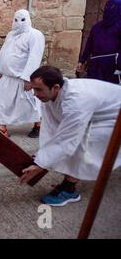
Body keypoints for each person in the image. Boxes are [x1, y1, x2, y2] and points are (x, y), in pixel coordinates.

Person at [20, 66, 121, 206]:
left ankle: (69, 190)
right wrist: (41, 157)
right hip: (99, 114)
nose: (34, 94)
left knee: (83, 142)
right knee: (71, 140)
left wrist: (40, 165)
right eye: (33, 89)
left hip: (114, 117)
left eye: (38, 89)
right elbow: (51, 128)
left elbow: (67, 139)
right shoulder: (51, 96)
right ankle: (68, 183)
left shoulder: (76, 101)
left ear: (55, 87)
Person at [0, 9, 45, 138]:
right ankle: (2, 127)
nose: (19, 23)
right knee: (3, 102)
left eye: (22, 20)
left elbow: (35, 56)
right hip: (7, 76)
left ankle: (38, 125)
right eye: (16, 20)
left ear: (28, 19)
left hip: (22, 77)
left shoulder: (35, 35)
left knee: (30, 102)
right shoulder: (11, 34)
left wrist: (29, 79)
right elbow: (3, 51)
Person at [76, 0, 121, 84]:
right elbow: (89, 45)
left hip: (97, 65)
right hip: (111, 66)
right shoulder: (98, 27)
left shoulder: (96, 26)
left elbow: (88, 46)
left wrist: (82, 61)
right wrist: (82, 61)